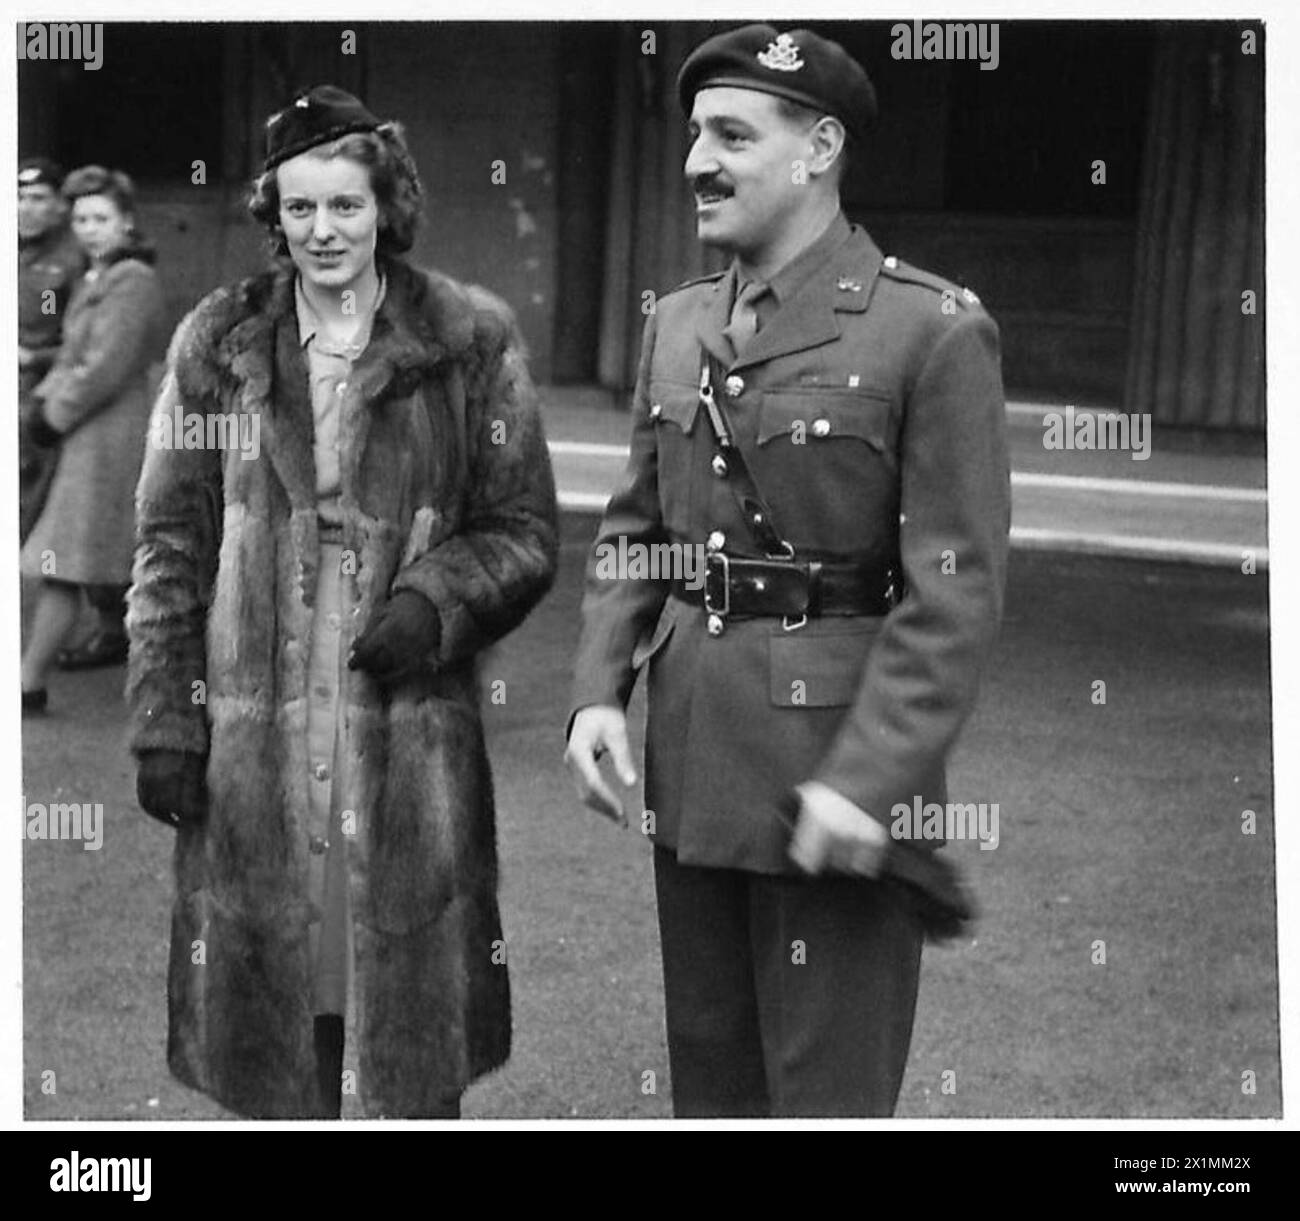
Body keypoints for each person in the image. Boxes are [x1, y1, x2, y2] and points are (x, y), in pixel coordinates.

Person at [566, 25, 1010, 1117]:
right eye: (691, 136)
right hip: (694, 759)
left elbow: (951, 593)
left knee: (825, 1096)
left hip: (833, 772)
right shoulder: (676, 323)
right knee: (712, 1085)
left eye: (729, 135)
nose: (694, 163)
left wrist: (869, 783)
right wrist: (596, 689)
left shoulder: (930, 330)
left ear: (817, 148)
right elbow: (638, 528)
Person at [125, 85, 558, 1120]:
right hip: (250, 708)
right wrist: (165, 717)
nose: (324, 230)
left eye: (347, 206)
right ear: (272, 214)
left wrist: (438, 598)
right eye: (301, 208)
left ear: (387, 206)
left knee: (400, 1007)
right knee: (279, 1006)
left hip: (401, 701)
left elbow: (525, 529)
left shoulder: (466, 339)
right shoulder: (218, 339)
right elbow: (170, 541)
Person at [21, 165, 165, 714]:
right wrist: (45, 409)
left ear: (127, 222)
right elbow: (71, 356)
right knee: (81, 560)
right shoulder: (95, 276)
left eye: (101, 217)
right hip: (83, 430)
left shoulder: (132, 280)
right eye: (81, 218)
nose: (89, 228)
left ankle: (27, 681)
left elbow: (104, 366)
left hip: (108, 432)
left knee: (64, 562)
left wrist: (50, 414)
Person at [18, 157, 87, 543]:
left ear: (61, 206)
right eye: (21, 197)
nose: (26, 208)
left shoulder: (72, 259)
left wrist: (33, 358)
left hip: (38, 387)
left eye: (39, 198)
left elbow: (82, 341)